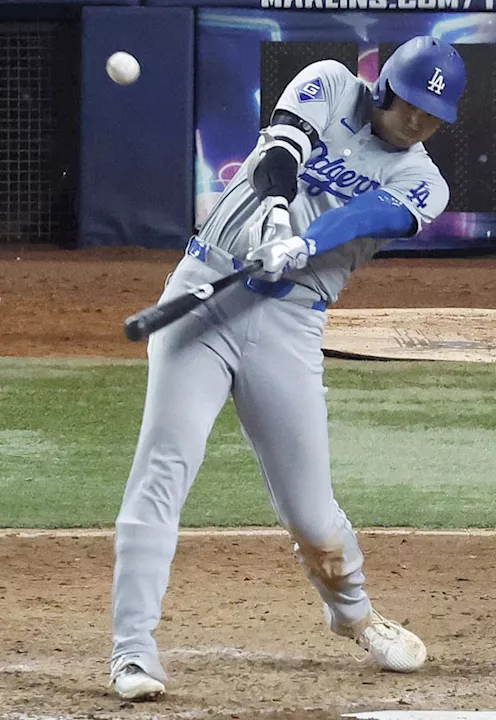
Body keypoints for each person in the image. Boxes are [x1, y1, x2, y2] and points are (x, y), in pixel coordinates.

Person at [109, 36, 466, 700]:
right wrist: (274, 209)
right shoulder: (330, 83)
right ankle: (133, 652)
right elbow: (280, 151)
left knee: (311, 514)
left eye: (432, 115)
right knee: (163, 468)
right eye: (411, 103)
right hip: (204, 292)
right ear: (386, 85)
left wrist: (301, 242)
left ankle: (354, 614)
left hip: (291, 324)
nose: (419, 121)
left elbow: (372, 213)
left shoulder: (424, 182)